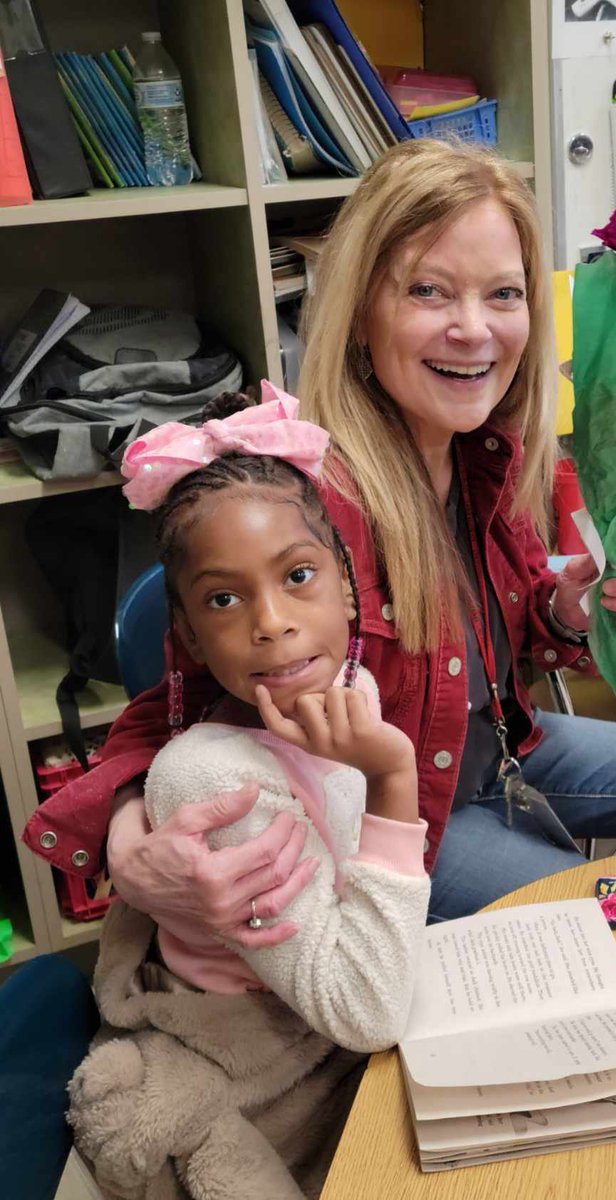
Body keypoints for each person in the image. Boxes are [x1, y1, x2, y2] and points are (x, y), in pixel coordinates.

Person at [24, 138, 616, 940]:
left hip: (502, 754)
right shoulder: (302, 502)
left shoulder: (484, 453)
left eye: (503, 295)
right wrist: (131, 848)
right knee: (615, 930)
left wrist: (567, 610)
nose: (474, 330)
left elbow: (483, 648)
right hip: (401, 824)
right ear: (363, 313)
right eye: (429, 291)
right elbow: (167, 714)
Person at [66, 391, 430, 1198]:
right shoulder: (215, 780)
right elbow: (366, 1012)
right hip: (273, 1060)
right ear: (190, 635)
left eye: (298, 576)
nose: (272, 622)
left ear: (347, 586)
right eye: (224, 599)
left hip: (326, 990)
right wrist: (392, 780)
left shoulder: (347, 689)